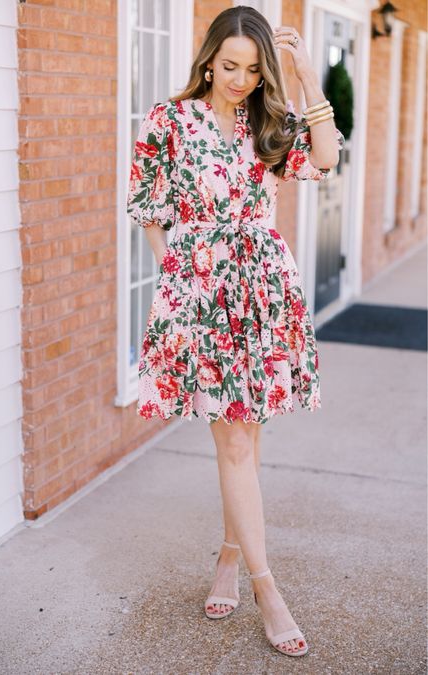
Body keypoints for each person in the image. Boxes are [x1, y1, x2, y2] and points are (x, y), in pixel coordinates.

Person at [126, 5, 345, 659]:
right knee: (236, 446)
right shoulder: (170, 121)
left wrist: (306, 75)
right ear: (208, 58)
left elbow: (327, 158)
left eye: (253, 69)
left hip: (264, 291)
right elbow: (147, 208)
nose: (241, 80)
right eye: (230, 66)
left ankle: (227, 554)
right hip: (204, 294)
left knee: (245, 438)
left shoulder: (269, 121)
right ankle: (266, 587)